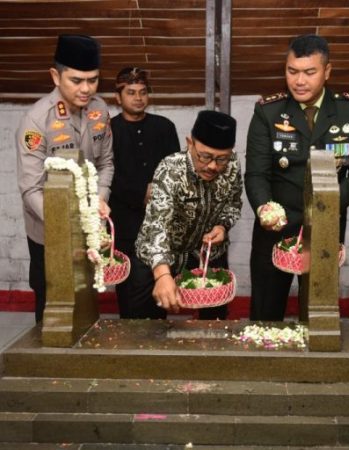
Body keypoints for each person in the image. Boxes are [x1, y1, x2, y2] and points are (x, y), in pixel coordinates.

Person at [245, 34, 349, 321]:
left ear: (327, 71)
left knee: (318, 317)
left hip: (325, 228)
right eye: (292, 71)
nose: (299, 81)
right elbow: (256, 173)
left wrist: (329, 201)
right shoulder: (268, 112)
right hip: (275, 229)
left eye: (309, 72)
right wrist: (264, 207)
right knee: (266, 316)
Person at [16, 34, 114, 323]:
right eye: (76, 80)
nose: (86, 89)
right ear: (55, 76)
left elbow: (106, 163)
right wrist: (66, 226)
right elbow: (31, 189)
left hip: (89, 228)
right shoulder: (37, 120)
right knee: (53, 306)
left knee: (85, 300)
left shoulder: (100, 110)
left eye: (93, 80)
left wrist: (99, 200)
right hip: (50, 229)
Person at [131, 110, 242, 319]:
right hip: (159, 254)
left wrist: (222, 226)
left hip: (205, 254)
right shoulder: (170, 169)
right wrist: (162, 275)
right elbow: (157, 225)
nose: (212, 166)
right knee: (145, 325)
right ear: (190, 143)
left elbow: (233, 204)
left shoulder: (232, 165)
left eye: (221, 159)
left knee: (215, 322)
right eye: (205, 156)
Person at [109, 67, 180, 318]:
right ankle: (129, 337)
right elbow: (106, 173)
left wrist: (158, 189)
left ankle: (158, 336)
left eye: (142, 92)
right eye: (131, 92)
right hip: (125, 223)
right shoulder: (108, 130)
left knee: (158, 284)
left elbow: (175, 169)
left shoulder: (164, 127)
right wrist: (141, 192)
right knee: (129, 290)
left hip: (160, 221)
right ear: (118, 97)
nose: (138, 98)